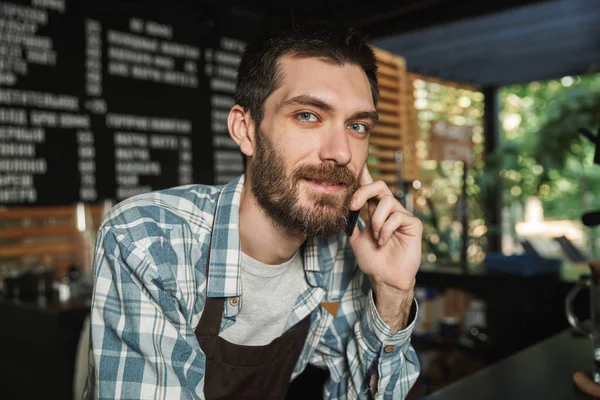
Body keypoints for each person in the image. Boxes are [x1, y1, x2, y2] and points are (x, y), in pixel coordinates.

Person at [85, 22, 422, 400]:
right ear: (245, 130)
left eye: (357, 125)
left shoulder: (339, 255)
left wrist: (394, 293)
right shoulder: (151, 239)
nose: (341, 152)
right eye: (308, 115)